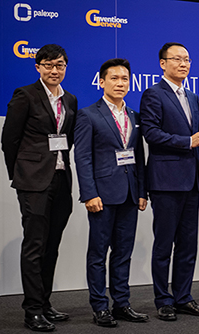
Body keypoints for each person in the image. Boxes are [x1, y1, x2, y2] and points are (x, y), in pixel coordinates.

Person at [1, 44, 77, 332]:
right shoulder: (25, 95)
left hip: (61, 178)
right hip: (33, 181)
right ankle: (31, 310)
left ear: (65, 67)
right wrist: (20, 175)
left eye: (59, 65)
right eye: (48, 65)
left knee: (52, 246)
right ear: (37, 67)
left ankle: (45, 304)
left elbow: (67, 139)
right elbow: (10, 140)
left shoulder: (70, 99)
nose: (54, 70)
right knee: (34, 245)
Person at [140, 42, 199, 321]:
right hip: (165, 182)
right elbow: (150, 133)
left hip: (190, 181)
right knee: (164, 244)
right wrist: (187, 142)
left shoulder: (192, 97)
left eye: (187, 59)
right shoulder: (153, 94)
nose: (183, 64)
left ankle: (183, 296)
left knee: (188, 244)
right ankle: (163, 299)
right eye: (177, 59)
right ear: (163, 63)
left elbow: (196, 140)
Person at [74, 58, 149, 327]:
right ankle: (99, 307)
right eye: (114, 78)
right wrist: (89, 194)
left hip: (130, 195)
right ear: (102, 82)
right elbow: (82, 158)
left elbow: (138, 156)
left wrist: (142, 191)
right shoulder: (88, 114)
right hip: (102, 196)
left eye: (125, 79)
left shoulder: (134, 116)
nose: (120, 83)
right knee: (98, 254)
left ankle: (122, 304)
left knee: (123, 253)